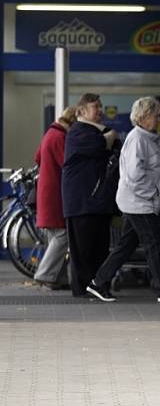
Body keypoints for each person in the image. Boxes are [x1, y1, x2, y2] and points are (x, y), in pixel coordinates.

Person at [86, 97, 160, 303]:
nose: (158, 119)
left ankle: (98, 282)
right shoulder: (138, 140)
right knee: (154, 243)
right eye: (155, 115)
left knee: (126, 245)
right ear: (143, 117)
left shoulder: (148, 138)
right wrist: (156, 190)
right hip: (139, 202)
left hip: (141, 201)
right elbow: (135, 174)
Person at [62, 93, 120, 297]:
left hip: (96, 201)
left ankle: (97, 286)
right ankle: (83, 290)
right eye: (96, 106)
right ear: (82, 112)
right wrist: (109, 136)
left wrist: (110, 136)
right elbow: (99, 145)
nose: (100, 110)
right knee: (84, 250)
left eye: (100, 106)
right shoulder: (78, 132)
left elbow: (114, 145)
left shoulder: (93, 131)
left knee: (99, 248)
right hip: (82, 202)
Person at [32, 106, 78, 289]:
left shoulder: (49, 133)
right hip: (55, 193)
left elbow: (37, 158)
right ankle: (45, 273)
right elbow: (67, 164)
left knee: (54, 236)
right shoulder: (60, 137)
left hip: (46, 190)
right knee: (63, 235)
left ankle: (58, 279)